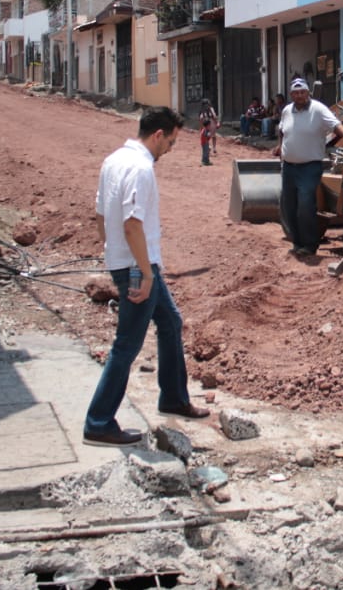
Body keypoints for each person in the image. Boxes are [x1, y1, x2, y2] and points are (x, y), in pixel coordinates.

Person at [84, 106, 210, 447]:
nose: (168, 151)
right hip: (138, 266)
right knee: (126, 345)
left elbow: (100, 216)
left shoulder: (113, 160)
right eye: (169, 143)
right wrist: (143, 272)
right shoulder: (140, 168)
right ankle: (98, 422)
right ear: (158, 135)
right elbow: (132, 224)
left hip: (131, 261)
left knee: (170, 322)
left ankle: (173, 398)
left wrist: (116, 255)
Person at [274, 78, 343, 256]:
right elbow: (282, 130)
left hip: (309, 168)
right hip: (288, 168)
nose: (299, 96)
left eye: (302, 92)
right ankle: (297, 243)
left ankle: (310, 245)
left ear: (308, 93)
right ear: (291, 95)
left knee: (305, 204)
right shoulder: (287, 110)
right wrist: (280, 147)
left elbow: (336, 125)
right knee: (289, 206)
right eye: (295, 93)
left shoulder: (318, 109)